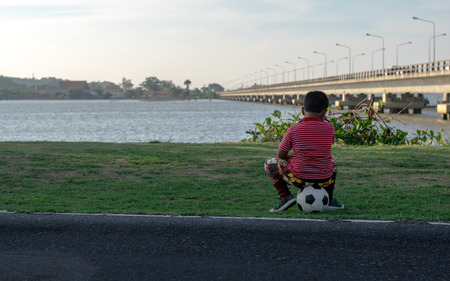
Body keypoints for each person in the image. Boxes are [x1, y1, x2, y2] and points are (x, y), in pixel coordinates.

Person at [264, 90, 344, 212]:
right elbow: (323, 149)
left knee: (270, 162)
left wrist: (292, 157)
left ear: (302, 111)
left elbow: (280, 155)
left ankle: (285, 196)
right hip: (325, 179)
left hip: (298, 178)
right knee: (332, 161)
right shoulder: (329, 128)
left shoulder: (293, 130)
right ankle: (330, 199)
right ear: (325, 112)